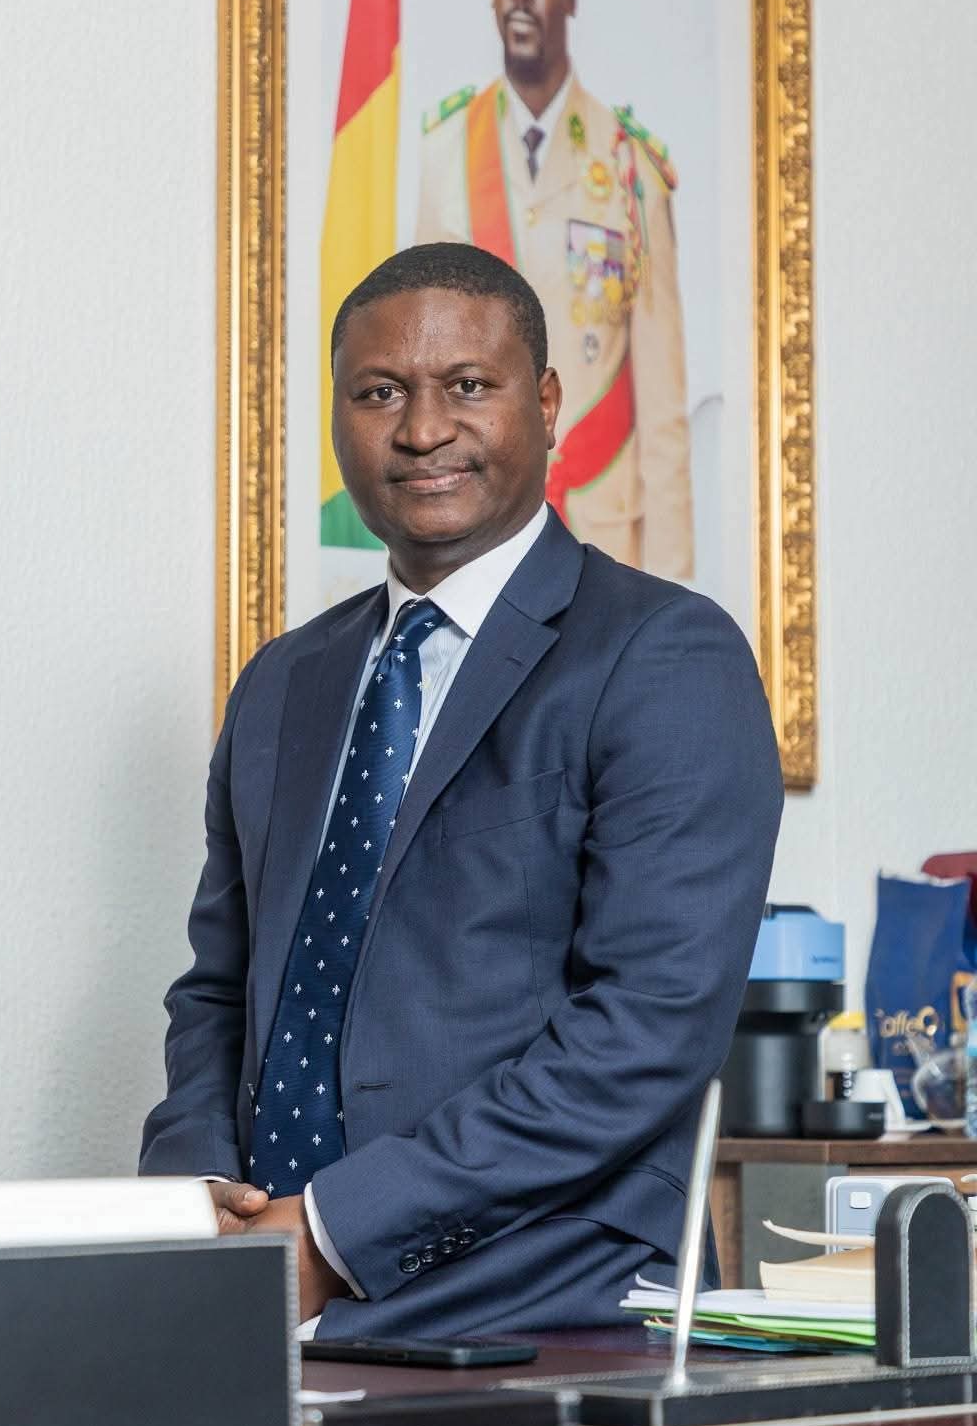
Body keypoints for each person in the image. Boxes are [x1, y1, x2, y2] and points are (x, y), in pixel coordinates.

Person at [140, 243, 782, 1337]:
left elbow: (644, 1029)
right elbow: (219, 992)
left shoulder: (665, 655)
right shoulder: (282, 684)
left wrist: (331, 1233)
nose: (423, 429)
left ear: (547, 403)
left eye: (469, 385)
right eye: (380, 393)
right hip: (259, 1308)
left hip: (547, 1311)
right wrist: (195, 1197)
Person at [416, 0, 694, 580]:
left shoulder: (630, 168)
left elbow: (663, 410)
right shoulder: (448, 153)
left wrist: (671, 592)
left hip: (607, 539)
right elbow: (422, 374)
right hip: (477, 543)